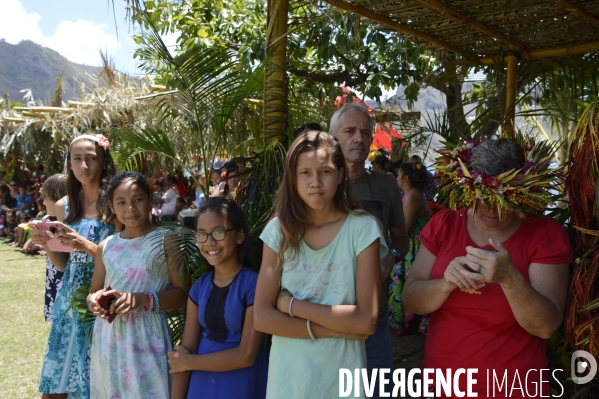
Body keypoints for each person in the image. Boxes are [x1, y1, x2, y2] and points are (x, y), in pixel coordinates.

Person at [402, 138, 571, 397]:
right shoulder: (445, 225)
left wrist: (510, 279)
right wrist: (446, 283)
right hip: (443, 385)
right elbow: (410, 302)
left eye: (504, 199)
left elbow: (545, 327)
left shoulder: (543, 234)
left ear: (523, 192)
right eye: (483, 198)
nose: (493, 209)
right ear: (469, 189)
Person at [254, 131, 387, 399]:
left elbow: (367, 320)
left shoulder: (362, 229)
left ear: (340, 175)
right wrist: (336, 328)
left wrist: (290, 306)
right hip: (289, 384)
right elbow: (262, 318)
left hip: (343, 383)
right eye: (305, 172)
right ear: (293, 178)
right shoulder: (278, 232)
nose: (315, 182)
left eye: (325, 171)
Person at [87, 172, 190, 398]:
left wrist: (144, 299)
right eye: (121, 202)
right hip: (109, 337)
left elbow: (184, 295)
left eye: (138, 199)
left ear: (150, 200)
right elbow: (93, 291)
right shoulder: (106, 246)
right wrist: (93, 301)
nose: (130, 208)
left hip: (147, 337)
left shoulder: (166, 239)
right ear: (112, 207)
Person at [330, 103, 409, 396]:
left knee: (377, 387)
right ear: (333, 136)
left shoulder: (386, 185)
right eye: (349, 131)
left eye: (365, 132)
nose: (358, 139)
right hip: (328, 308)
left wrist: (391, 258)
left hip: (373, 312)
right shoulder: (318, 184)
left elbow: (401, 238)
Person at [31, 133, 116, 399]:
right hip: (69, 299)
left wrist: (86, 245)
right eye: (77, 159)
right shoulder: (63, 205)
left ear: (104, 162)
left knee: (93, 374)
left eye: (91, 159)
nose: (84, 166)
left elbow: (123, 257)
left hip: (102, 297)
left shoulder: (116, 203)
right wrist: (45, 244)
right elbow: (63, 264)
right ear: (69, 163)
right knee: (59, 378)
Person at [170, 197, 268, 399]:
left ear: (239, 235)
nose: (209, 242)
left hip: (240, 386)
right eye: (202, 235)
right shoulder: (199, 288)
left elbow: (246, 355)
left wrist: (190, 362)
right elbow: (185, 350)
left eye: (218, 232)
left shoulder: (254, 284)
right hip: (201, 387)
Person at [388, 162, 431, 334]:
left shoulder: (413, 196)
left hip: (414, 248)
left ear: (406, 179)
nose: (396, 178)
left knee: (408, 284)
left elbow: (404, 228)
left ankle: (408, 323)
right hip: (411, 246)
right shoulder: (412, 194)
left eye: (398, 175)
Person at [39, 173, 68, 321]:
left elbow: (62, 264)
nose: (43, 203)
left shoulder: (66, 226)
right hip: (53, 279)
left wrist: (46, 242)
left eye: (46, 198)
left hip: (65, 285)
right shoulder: (49, 222)